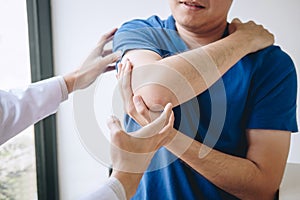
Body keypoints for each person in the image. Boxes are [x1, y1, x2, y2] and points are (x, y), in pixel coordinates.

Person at [112, 0, 298, 199]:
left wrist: (169, 137)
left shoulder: (271, 65)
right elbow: (155, 93)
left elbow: (262, 186)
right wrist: (244, 41)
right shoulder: (139, 33)